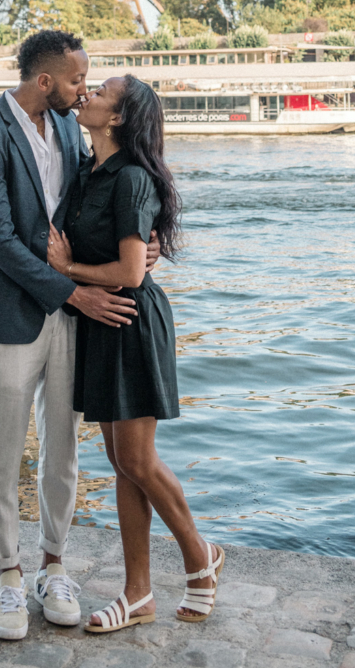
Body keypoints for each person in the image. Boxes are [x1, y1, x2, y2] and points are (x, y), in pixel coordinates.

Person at [0, 30, 160, 641]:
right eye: (77, 81)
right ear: (45, 81)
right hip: (21, 312)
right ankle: (8, 575)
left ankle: (54, 565)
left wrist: (145, 245)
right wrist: (72, 289)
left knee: (62, 448)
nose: (84, 91)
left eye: (90, 84)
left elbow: (108, 197)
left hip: (75, 314)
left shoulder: (73, 131)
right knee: (2, 446)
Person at [47, 73, 225, 633]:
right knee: (123, 464)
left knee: (139, 460)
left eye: (100, 93)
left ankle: (199, 559)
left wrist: (66, 271)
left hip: (129, 321)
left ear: (118, 117)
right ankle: (138, 594)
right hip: (100, 323)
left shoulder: (131, 180)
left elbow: (128, 272)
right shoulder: (87, 170)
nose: (88, 96)